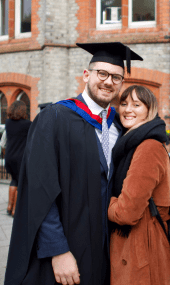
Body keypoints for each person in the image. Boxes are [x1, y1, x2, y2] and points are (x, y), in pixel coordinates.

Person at [4, 42, 143, 285]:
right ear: (86, 75)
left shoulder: (118, 126)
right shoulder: (55, 119)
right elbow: (39, 188)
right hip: (66, 245)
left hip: (105, 248)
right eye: (102, 73)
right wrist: (56, 249)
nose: (108, 81)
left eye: (116, 77)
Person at [108, 85, 170, 285]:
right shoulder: (132, 142)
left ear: (149, 110)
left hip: (143, 250)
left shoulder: (148, 147)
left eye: (136, 105)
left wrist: (103, 201)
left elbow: (126, 213)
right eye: (124, 104)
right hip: (138, 244)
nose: (127, 109)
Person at [4, 100, 31, 217]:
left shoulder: (7, 123)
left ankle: (9, 206)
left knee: (13, 180)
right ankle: (16, 210)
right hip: (20, 159)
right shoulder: (27, 124)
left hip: (9, 157)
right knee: (21, 182)